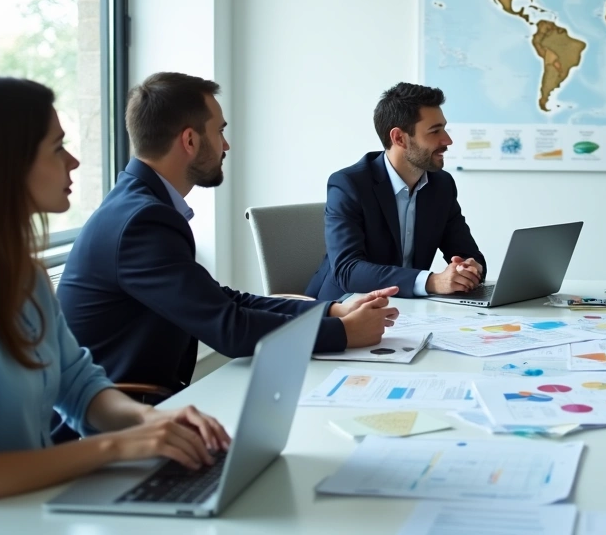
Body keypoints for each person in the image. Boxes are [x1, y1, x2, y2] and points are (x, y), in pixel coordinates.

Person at [0, 76, 230, 526]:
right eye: (57, 147)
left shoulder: (25, 275)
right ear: (5, 165)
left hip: (32, 508)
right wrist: (114, 447)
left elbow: (79, 386)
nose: (73, 161)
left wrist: (148, 422)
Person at [58, 72, 397, 398]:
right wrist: (343, 333)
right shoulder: (141, 220)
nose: (226, 144)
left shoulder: (139, 205)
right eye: (219, 131)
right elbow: (229, 328)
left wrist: (331, 311)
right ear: (190, 140)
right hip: (119, 423)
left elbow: (221, 299)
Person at [305, 82, 486, 301]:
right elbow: (348, 270)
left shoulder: (441, 185)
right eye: (434, 131)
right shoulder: (348, 185)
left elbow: (468, 253)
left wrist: (469, 268)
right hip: (345, 308)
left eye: (444, 128)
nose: (447, 140)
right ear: (399, 138)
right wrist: (431, 282)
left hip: (410, 310)